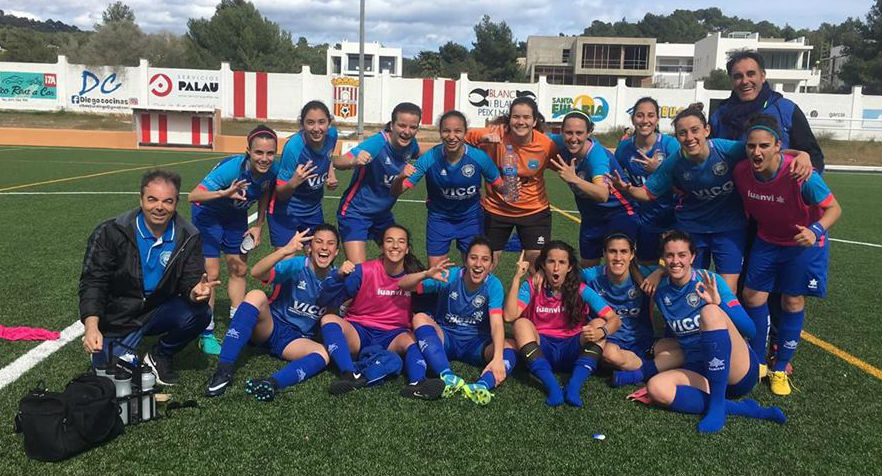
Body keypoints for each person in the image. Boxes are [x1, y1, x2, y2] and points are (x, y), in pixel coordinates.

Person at [608, 107, 813, 292]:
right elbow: (647, 193)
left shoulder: (726, 149)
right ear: (677, 136)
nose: (689, 137)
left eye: (695, 130)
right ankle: (691, 331)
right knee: (691, 284)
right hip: (693, 227)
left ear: (706, 130)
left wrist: (801, 154)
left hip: (729, 228)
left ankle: (721, 331)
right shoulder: (675, 161)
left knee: (726, 289)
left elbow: (763, 151)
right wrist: (626, 189)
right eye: (682, 133)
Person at [734, 115, 842, 395]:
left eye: (764, 146)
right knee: (752, 296)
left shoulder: (801, 174)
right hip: (767, 241)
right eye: (752, 146)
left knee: (792, 301)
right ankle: (757, 362)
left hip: (802, 244)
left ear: (778, 146)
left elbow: (834, 209)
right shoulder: (742, 171)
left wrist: (815, 230)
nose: (757, 152)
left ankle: (780, 367)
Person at [80, 170, 216, 386]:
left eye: (167, 201)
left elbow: (190, 280)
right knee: (110, 375)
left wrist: (194, 291)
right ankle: (115, 345)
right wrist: (91, 326)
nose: (159, 207)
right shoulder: (111, 231)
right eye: (152, 199)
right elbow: (94, 281)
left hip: (156, 309)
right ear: (141, 199)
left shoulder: (189, 236)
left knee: (201, 313)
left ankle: (159, 356)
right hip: (119, 312)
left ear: (176, 203)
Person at [645, 231, 787, 434]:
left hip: (735, 372)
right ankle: (740, 408)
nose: (676, 261)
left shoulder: (710, 280)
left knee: (710, 312)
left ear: (693, 257)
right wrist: (658, 272)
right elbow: (625, 263)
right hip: (699, 370)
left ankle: (718, 406)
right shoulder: (661, 287)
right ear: (663, 258)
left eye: (682, 255)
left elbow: (750, 329)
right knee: (656, 388)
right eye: (669, 255)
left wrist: (719, 303)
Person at [205, 225, 344, 401]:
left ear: (337, 251)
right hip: (270, 327)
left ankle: (272, 383)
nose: (324, 247)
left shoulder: (338, 278)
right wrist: (285, 251)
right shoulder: (297, 265)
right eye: (319, 242)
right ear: (310, 247)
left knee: (324, 353)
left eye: (330, 243)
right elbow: (256, 272)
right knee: (256, 295)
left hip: (296, 340)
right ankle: (223, 370)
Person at [316, 225, 444, 399]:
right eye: (389, 241)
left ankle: (417, 383)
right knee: (329, 319)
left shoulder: (414, 277)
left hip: (393, 335)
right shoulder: (363, 270)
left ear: (407, 249)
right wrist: (338, 277)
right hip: (359, 331)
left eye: (401, 241)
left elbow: (429, 305)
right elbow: (327, 300)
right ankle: (349, 374)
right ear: (381, 246)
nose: (395, 246)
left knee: (412, 340)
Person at [188, 125, 279, 354]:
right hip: (208, 215)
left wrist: (258, 226)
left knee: (238, 269)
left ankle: (236, 326)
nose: (265, 158)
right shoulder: (232, 169)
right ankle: (206, 332)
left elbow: (266, 191)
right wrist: (224, 193)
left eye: (270, 153)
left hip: (236, 216)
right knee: (212, 274)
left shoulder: (272, 169)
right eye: (259, 152)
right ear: (248, 150)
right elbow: (193, 195)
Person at [398, 237, 516, 405]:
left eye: (485, 259)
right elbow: (403, 284)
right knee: (419, 318)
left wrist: (497, 358)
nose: (478, 264)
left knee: (510, 346)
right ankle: (447, 376)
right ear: (466, 260)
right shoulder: (451, 276)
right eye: (473, 258)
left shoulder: (494, 285)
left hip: (477, 344)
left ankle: (481, 386)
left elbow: (497, 323)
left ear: (491, 265)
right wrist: (426, 274)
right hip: (446, 339)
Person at [505, 242, 620, 407]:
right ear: (543, 265)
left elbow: (614, 319)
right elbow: (509, 316)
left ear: (570, 267)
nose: (556, 268)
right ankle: (552, 386)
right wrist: (517, 277)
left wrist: (602, 330)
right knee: (520, 323)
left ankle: (574, 387)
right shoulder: (532, 285)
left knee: (599, 323)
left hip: (572, 349)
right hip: (541, 350)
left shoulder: (580, 289)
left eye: (562, 262)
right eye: (551, 262)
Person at [395, 110, 503, 268]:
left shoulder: (479, 157)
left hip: (471, 220)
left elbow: (500, 186)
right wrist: (400, 177)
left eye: (458, 131)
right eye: (446, 131)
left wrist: (514, 184)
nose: (452, 136)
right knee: (437, 272)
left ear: (465, 133)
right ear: (440, 132)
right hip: (439, 220)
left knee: (475, 269)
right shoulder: (429, 158)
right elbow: (398, 191)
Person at [465, 96, 559, 270]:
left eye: (526, 117)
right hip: (496, 209)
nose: (521, 122)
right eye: (516, 117)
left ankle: (534, 298)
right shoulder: (495, 135)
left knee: (536, 265)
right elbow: (457, 136)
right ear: (509, 119)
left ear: (534, 120)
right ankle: (484, 297)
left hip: (534, 210)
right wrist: (483, 139)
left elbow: (565, 162)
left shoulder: (546, 145)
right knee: (486, 263)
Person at [579, 233, 683, 387]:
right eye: (612, 251)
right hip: (611, 342)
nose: (618, 257)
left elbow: (679, 267)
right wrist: (541, 272)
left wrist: (660, 272)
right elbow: (564, 275)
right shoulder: (591, 275)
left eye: (624, 252)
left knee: (685, 350)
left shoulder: (644, 274)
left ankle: (639, 371)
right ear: (604, 254)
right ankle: (654, 367)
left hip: (643, 341)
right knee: (608, 354)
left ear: (632, 254)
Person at [334, 102, 422, 264]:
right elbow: (338, 162)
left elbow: (420, 154)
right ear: (392, 125)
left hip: (382, 215)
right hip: (356, 213)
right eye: (402, 126)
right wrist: (354, 161)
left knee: (404, 264)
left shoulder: (412, 145)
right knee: (358, 271)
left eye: (413, 127)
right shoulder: (377, 143)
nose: (407, 132)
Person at [710, 50, 824, 173]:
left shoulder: (786, 109)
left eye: (751, 74)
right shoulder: (720, 115)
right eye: (738, 76)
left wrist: (806, 181)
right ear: (731, 80)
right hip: (732, 189)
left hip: (779, 190)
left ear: (763, 76)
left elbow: (813, 156)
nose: (745, 81)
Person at [549, 110, 638, 267]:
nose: (573, 138)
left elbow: (602, 193)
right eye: (569, 132)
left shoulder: (596, 156)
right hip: (591, 217)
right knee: (588, 267)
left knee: (621, 265)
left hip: (619, 214)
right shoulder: (558, 142)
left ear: (589, 132)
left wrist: (574, 179)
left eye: (579, 133)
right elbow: (531, 135)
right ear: (561, 132)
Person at [614, 97, 681, 264]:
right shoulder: (624, 148)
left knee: (676, 265)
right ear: (632, 119)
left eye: (650, 115)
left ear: (657, 119)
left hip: (672, 217)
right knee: (646, 264)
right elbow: (616, 177)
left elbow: (684, 182)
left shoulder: (670, 145)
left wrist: (659, 171)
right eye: (640, 115)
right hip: (644, 219)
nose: (645, 121)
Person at [268, 101, 339, 247]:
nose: (316, 128)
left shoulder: (332, 135)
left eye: (322, 122)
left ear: (329, 123)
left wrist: (330, 173)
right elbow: (280, 192)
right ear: (302, 124)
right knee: (286, 265)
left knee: (320, 260)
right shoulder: (294, 147)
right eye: (310, 123)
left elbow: (328, 156)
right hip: (286, 212)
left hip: (312, 210)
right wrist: (294, 181)